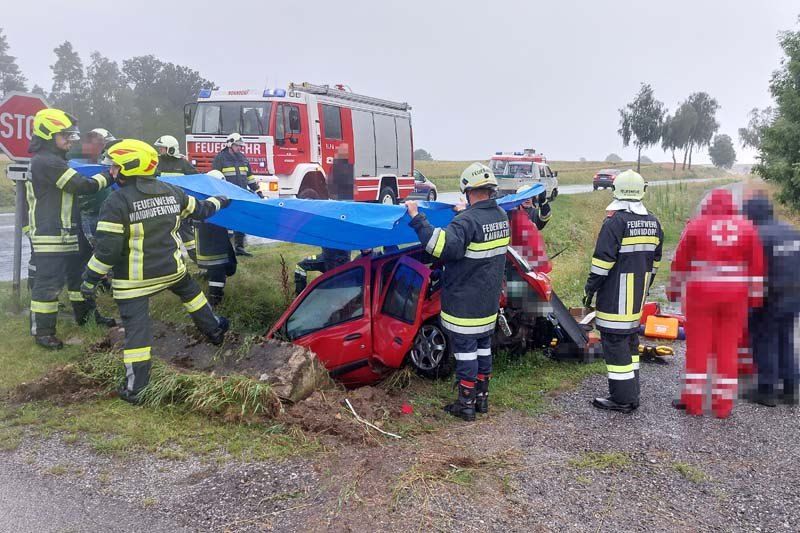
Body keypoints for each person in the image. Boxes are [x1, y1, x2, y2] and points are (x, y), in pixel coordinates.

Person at [80, 139, 232, 404]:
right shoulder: (172, 191)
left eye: (115, 166)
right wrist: (220, 201)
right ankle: (215, 330)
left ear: (129, 168)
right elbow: (201, 210)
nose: (111, 171)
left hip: (134, 282)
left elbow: (107, 252)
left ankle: (136, 389)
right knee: (191, 293)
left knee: (137, 332)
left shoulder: (116, 201)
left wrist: (89, 280)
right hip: (172, 270)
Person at [406, 163, 509, 421]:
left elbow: (438, 246)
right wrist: (465, 214)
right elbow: (478, 230)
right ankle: (482, 399)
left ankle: (466, 404)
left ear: (468, 190)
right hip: (488, 301)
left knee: (465, 353)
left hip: (465, 303)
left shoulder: (467, 221)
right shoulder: (500, 216)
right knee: (483, 347)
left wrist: (417, 217)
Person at [668, 189, 764, 418]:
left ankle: (693, 403)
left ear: (708, 205)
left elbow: (680, 262)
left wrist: (674, 290)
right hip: (735, 298)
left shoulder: (696, 226)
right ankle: (723, 407)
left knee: (698, 348)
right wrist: (755, 298)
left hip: (700, 296)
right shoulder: (747, 228)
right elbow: (757, 267)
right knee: (728, 349)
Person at [27, 108, 116, 349]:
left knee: (79, 277)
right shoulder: (46, 162)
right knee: (49, 284)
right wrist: (110, 175)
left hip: (68, 231)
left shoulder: (54, 160)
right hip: (51, 233)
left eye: (70, 135)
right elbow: (82, 186)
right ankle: (43, 332)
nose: (70, 140)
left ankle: (87, 317)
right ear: (48, 135)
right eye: (64, 135)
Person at [583, 170, 663, 413]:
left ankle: (622, 399)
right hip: (637, 295)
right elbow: (655, 262)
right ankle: (631, 392)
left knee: (615, 343)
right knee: (629, 341)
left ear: (616, 191)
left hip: (615, 295)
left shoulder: (615, 222)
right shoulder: (653, 221)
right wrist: (645, 285)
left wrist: (590, 288)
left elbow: (602, 262)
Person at [742, 191, 800, 406]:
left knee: (764, 338)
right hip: (795, 294)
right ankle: (790, 388)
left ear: (753, 214)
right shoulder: (791, 231)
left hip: (771, 295)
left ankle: (766, 390)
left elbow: (752, 268)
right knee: (785, 338)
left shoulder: (758, 235)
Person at [294, 144, 353, 294]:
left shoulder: (337, 210)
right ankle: (299, 299)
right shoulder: (319, 212)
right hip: (325, 258)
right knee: (300, 266)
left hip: (339, 261)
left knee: (335, 290)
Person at [194, 170, 238, 306]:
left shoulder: (203, 198)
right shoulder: (213, 200)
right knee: (218, 270)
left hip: (214, 243)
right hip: (212, 244)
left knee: (225, 268)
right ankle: (215, 300)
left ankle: (208, 283)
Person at [213, 133, 261, 256]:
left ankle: (239, 248)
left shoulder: (243, 158)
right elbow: (215, 178)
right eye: (237, 145)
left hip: (241, 195)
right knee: (226, 223)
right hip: (226, 197)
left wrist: (257, 191)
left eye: (240, 146)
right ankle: (225, 249)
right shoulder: (220, 158)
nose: (239, 148)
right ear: (230, 144)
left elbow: (249, 177)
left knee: (241, 221)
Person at [154, 135, 199, 260]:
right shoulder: (156, 162)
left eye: (162, 148)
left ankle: (198, 259)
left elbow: (196, 179)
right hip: (162, 205)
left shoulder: (183, 163)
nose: (160, 150)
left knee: (187, 235)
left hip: (180, 205)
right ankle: (168, 260)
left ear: (171, 149)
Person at [509, 184, 552, 273]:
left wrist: (544, 202)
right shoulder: (511, 214)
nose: (527, 199)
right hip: (515, 257)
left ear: (533, 198)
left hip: (533, 256)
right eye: (524, 197)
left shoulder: (535, 213)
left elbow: (545, 217)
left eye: (530, 196)